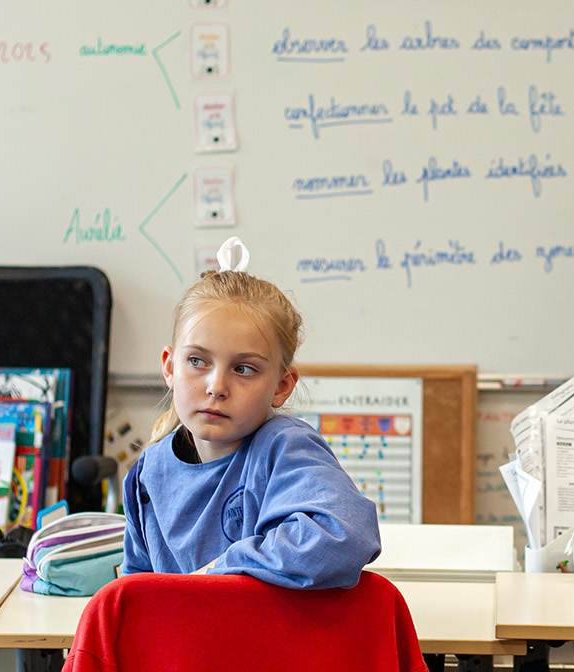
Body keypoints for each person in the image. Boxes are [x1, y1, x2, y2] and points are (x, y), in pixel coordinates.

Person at [123, 240, 381, 589]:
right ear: (170, 367)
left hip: (269, 644)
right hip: (185, 644)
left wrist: (219, 571)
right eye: (197, 361)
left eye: (244, 369)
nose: (216, 386)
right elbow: (135, 595)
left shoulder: (285, 448)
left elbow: (344, 534)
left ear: (282, 385)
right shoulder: (146, 475)